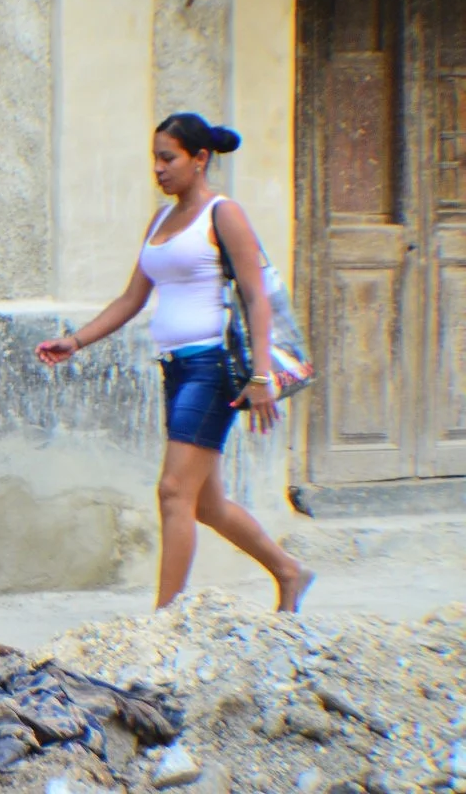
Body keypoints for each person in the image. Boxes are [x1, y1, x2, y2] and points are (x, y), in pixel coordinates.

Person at [35, 113, 315, 613]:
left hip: (213, 368)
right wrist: (75, 341)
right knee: (205, 503)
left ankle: (164, 618)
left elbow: (256, 297)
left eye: (168, 158)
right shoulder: (161, 222)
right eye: (155, 159)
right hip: (177, 369)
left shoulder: (223, 214)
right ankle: (290, 572)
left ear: (200, 158)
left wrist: (260, 376)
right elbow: (132, 298)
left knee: (172, 492)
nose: (158, 169)